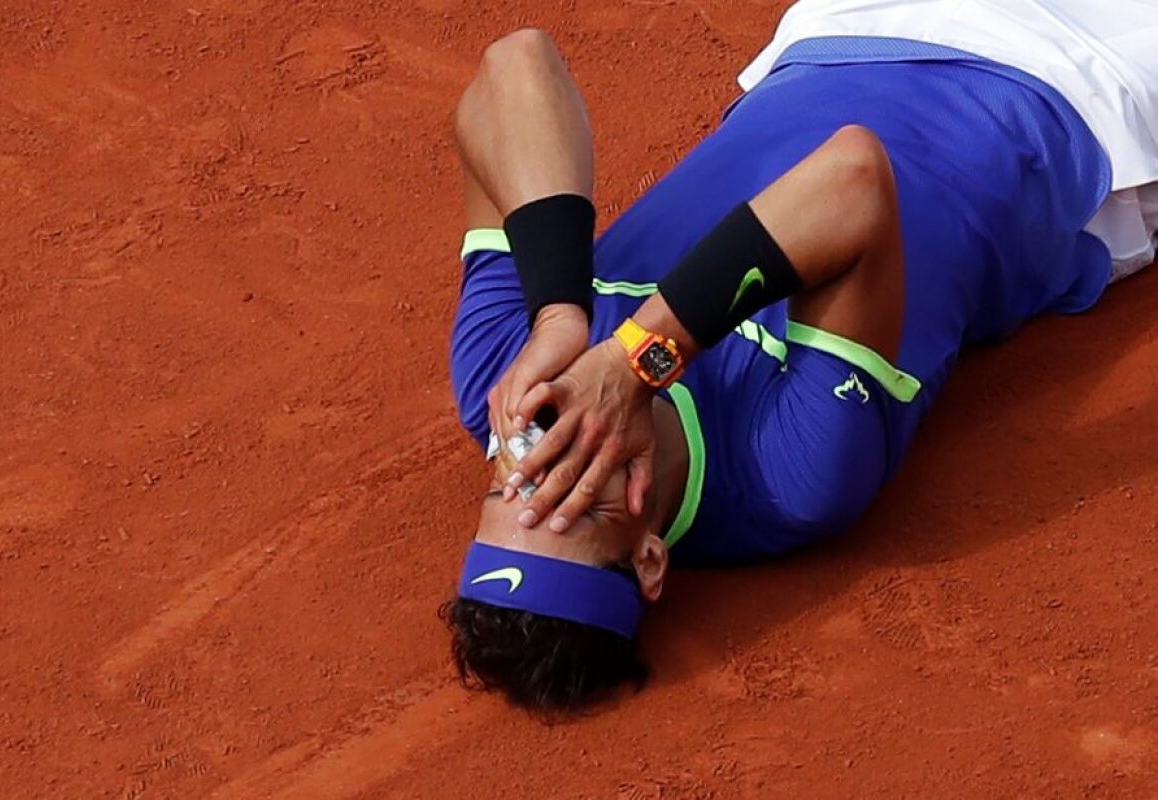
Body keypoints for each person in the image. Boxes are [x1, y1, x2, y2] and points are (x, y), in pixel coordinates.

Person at [442, 0, 1158, 711]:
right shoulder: (786, 474)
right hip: (1084, 98)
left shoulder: (510, 379)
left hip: (848, 31)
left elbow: (517, 64)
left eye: (513, 483)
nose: (545, 455)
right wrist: (635, 361)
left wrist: (560, 311)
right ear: (650, 558)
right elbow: (852, 175)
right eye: (573, 501)